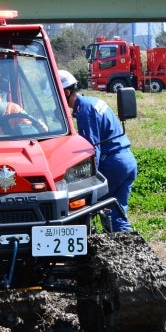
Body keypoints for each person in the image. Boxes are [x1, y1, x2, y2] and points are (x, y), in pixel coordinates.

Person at [59, 69, 137, 232]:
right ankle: (127, 250)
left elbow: (92, 150)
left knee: (83, 209)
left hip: (113, 164)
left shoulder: (84, 111)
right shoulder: (92, 101)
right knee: (117, 213)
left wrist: (82, 181)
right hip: (126, 161)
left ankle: (93, 244)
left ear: (66, 92)